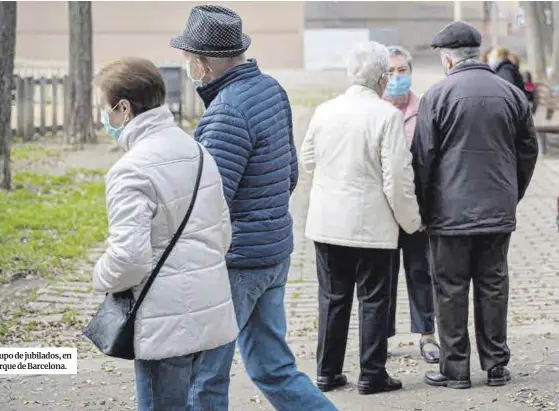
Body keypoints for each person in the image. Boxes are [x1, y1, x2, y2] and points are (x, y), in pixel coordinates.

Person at [170, 5, 339, 411]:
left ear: (204, 64)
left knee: (204, 378)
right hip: (273, 253)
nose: (188, 65)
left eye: (190, 59)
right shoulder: (271, 89)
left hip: (237, 265)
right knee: (272, 368)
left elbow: (208, 206)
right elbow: (290, 175)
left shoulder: (225, 112)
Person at [91, 57, 238, 410]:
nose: (103, 119)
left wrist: (99, 276)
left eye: (105, 109)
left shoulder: (130, 170)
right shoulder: (198, 151)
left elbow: (129, 258)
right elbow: (223, 235)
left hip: (165, 324)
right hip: (210, 311)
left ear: (124, 108)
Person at [412, 21, 539, 390]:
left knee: (450, 289)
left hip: (448, 216)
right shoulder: (511, 94)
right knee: (493, 286)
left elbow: (423, 159)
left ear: (448, 60)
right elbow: (528, 151)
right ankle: (497, 366)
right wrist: (511, 193)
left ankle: (455, 371)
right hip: (497, 212)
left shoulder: (436, 96)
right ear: (478, 54)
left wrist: (423, 210)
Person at [301, 41, 422, 396]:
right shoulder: (386, 117)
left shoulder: (324, 110)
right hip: (371, 225)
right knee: (374, 299)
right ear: (383, 79)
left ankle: (327, 372)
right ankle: (372, 374)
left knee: (332, 298)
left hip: (327, 222)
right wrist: (411, 221)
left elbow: (308, 159)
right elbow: (397, 179)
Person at [383, 45, 439, 364]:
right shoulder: (374, 110)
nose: (396, 77)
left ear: (411, 72)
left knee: (421, 272)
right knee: (383, 276)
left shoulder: (425, 108)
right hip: (382, 211)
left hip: (418, 210)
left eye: (402, 70)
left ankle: (426, 335)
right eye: (390, 71)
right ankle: (382, 338)